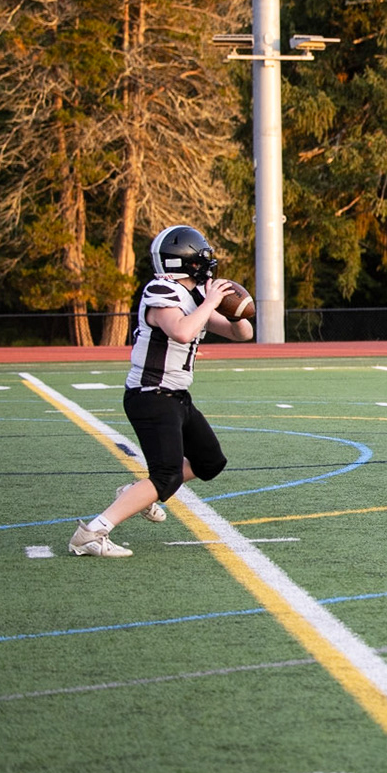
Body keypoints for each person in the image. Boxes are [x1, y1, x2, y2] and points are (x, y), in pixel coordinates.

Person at [69, 225, 254, 557]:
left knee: (209, 461)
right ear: (182, 261)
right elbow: (181, 332)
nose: (206, 262)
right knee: (167, 475)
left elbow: (241, 334)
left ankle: (138, 493)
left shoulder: (194, 297)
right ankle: (92, 533)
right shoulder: (162, 290)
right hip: (150, 395)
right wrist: (211, 301)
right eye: (200, 256)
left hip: (176, 396)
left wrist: (235, 310)